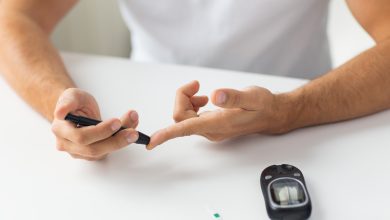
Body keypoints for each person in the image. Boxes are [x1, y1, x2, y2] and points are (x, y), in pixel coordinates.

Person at [0, 1, 389, 160]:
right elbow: (13, 18)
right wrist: (61, 105)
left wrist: (290, 110)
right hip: (145, 132)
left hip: (307, 126)